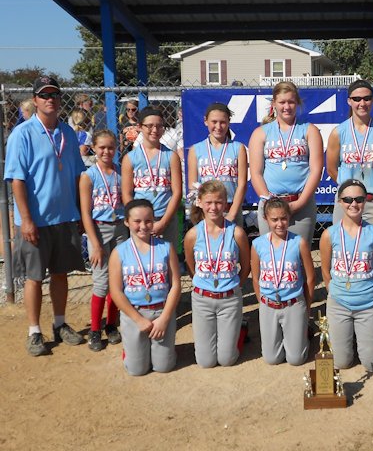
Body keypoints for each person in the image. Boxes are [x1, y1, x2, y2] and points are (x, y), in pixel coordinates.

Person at [5, 76, 86, 356]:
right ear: (35, 100)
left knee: (61, 273)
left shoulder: (68, 133)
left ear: (60, 99)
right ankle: (34, 331)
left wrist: (78, 212)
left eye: (54, 94)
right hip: (35, 221)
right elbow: (16, 180)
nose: (50, 99)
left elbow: (77, 175)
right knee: (34, 277)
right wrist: (25, 219)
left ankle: (60, 323)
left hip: (64, 217)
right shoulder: (23, 133)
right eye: (44, 95)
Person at [319, 179, 373, 372]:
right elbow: (325, 270)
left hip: (367, 304)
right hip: (339, 303)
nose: (353, 204)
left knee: (371, 363)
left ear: (365, 202)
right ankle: (354, 338)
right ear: (340, 202)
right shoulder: (329, 235)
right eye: (348, 199)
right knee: (342, 363)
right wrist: (334, 293)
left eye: (359, 199)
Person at [108, 199, 180, 376]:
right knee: (137, 370)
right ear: (126, 222)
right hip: (134, 314)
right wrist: (138, 319)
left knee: (164, 367)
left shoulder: (165, 247)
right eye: (137, 221)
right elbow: (116, 291)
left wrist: (164, 318)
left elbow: (176, 284)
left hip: (161, 312)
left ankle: (160, 350)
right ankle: (131, 351)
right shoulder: (119, 252)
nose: (143, 226)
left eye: (148, 221)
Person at [183, 180, 250, 368]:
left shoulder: (236, 233)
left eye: (219, 202)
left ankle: (241, 329)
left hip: (229, 298)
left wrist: (235, 286)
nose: (214, 207)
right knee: (206, 362)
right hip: (202, 299)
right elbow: (191, 266)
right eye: (209, 202)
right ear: (200, 203)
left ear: (226, 203)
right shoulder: (192, 235)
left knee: (227, 360)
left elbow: (245, 267)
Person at [248, 81, 323, 245]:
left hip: (301, 204)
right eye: (282, 102)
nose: (286, 106)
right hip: (271, 205)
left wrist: (299, 203)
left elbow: (316, 170)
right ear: (274, 103)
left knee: (298, 257)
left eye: (291, 101)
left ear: (297, 103)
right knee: (271, 257)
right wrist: (269, 203)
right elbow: (256, 173)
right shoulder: (260, 133)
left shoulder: (310, 130)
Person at [250, 197, 315, 365]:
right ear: (266, 220)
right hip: (268, 304)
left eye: (284, 218)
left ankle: (303, 333)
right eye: (274, 219)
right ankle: (291, 335)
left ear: (289, 217)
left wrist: (306, 307)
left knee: (296, 359)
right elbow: (256, 278)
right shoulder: (257, 244)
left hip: (293, 303)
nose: (280, 224)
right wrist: (262, 302)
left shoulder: (298, 242)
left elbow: (310, 277)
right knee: (272, 359)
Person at [79, 130, 127, 351]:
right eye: (102, 148)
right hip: (99, 230)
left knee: (118, 279)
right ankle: (95, 330)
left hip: (119, 228)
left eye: (110, 147)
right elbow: (86, 213)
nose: (106, 151)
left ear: (116, 148)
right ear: (94, 149)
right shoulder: (89, 176)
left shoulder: (120, 174)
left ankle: (111, 324)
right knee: (100, 281)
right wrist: (95, 244)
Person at [326, 80, 373, 232]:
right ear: (349, 101)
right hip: (347, 202)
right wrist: (349, 190)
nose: (362, 103)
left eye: (367, 98)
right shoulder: (339, 132)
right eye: (356, 99)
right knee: (344, 247)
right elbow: (331, 169)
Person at [121, 106, 182, 251]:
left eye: (159, 126)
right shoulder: (130, 158)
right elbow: (127, 193)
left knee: (167, 261)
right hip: (140, 221)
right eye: (149, 126)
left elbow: (177, 192)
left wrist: (164, 222)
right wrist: (135, 219)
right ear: (140, 127)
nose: (155, 130)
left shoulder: (171, 156)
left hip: (165, 217)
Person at [188, 103, 247, 226]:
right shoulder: (196, 149)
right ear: (206, 121)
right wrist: (202, 213)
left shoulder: (238, 148)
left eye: (223, 122)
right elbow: (193, 185)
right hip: (206, 212)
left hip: (231, 209)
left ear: (229, 122)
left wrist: (232, 214)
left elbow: (242, 185)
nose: (218, 126)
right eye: (214, 122)